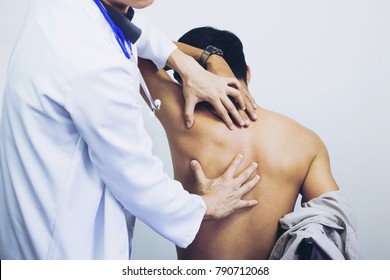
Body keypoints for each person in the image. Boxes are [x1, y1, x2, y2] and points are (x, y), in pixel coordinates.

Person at [0, 0, 261, 259]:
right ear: (247, 74)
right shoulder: (95, 63)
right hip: (62, 251)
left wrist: (189, 62)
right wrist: (205, 205)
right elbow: (136, 178)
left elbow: (133, 26)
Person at [138, 26, 358, 259]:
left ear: (188, 80)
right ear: (248, 73)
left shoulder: (185, 120)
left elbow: (128, 45)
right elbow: (333, 226)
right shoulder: (306, 142)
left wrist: (205, 58)